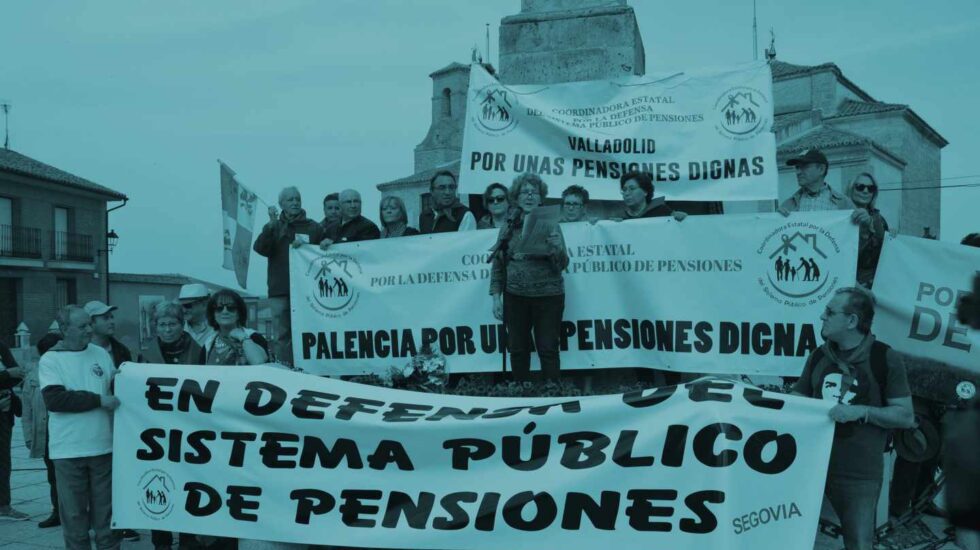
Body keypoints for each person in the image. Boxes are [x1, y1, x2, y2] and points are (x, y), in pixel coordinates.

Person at [792, 287, 914, 550]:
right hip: (810, 468)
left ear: (851, 321)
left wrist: (861, 412)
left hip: (858, 474)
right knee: (794, 537)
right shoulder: (818, 355)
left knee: (858, 543)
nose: (821, 316)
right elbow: (796, 401)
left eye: (829, 312)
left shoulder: (885, 358)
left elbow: (905, 416)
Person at [40, 305, 121, 550]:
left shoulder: (100, 354)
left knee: (107, 520)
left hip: (102, 448)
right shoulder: (50, 359)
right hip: (68, 452)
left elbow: (114, 388)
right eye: (83, 326)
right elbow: (56, 400)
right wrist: (98, 400)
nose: (89, 329)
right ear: (65, 329)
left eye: (89, 324)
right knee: (75, 520)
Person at [489, 173, 569, 381]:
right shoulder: (507, 225)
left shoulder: (551, 224)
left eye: (535, 192)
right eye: (525, 192)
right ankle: (521, 396)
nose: (530, 196)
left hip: (549, 296)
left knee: (548, 348)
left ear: (541, 198)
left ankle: (552, 396)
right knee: (517, 349)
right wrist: (496, 297)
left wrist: (556, 248)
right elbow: (498, 265)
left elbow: (563, 264)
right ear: (516, 197)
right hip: (515, 296)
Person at [138, 301, 202, 549]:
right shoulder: (145, 353)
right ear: (155, 327)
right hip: (157, 433)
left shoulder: (199, 351)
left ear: (181, 324)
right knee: (158, 485)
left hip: (189, 432)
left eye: (172, 324)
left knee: (187, 486)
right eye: (162, 324)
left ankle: (188, 539)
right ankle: (161, 540)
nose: (167, 329)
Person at [253, 186, 328, 366]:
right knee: (282, 335)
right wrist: (270, 227)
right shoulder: (273, 226)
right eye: (290, 200)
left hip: (307, 292)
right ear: (281, 204)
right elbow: (261, 249)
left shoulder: (313, 227)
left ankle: (312, 370)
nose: (295, 202)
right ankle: (285, 369)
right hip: (280, 290)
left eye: (297, 199)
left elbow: (324, 257)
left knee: (309, 331)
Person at [21, 332, 63, 528]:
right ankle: (58, 511)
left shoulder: (68, 372)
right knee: (52, 475)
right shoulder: (33, 376)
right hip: (46, 434)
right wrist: (29, 436)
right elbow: (27, 408)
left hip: (66, 433)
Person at [202, 289, 270, 366]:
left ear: (239, 313)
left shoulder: (253, 337)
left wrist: (242, 336)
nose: (225, 311)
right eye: (219, 308)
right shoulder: (209, 343)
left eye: (231, 308)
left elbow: (258, 361)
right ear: (213, 314)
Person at [846, 173, 889, 287]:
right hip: (842, 281)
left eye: (871, 188)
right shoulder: (839, 215)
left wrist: (892, 237)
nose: (865, 191)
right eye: (860, 187)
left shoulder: (879, 220)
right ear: (851, 189)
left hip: (871, 285)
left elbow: (885, 253)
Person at [0, 341, 27, 522]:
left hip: (4, 412)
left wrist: (8, 375)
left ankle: (3, 506)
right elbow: (11, 373)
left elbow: (17, 374)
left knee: (3, 461)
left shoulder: (1, 346)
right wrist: (5, 375)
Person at [780, 148, 855, 213]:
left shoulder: (844, 204)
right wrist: (777, 219)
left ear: (821, 169)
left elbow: (857, 229)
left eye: (804, 166)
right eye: (797, 167)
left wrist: (864, 222)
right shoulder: (788, 205)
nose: (798, 172)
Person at [619, 171, 688, 221]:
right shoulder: (621, 217)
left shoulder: (661, 211)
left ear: (645, 192)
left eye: (632, 188)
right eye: (624, 190)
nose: (626, 193)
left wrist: (681, 217)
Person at [178, 283, 216, 347]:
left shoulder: (218, 328)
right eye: (181, 306)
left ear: (204, 304)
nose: (183, 310)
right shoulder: (178, 327)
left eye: (187, 306)